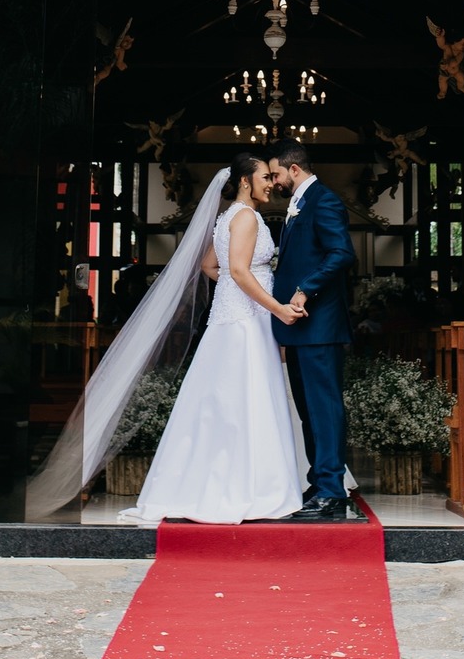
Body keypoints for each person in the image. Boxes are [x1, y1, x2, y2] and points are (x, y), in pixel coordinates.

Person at [120, 152, 304, 524]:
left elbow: (210, 266)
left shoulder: (226, 219)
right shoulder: (248, 217)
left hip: (229, 318)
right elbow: (236, 270)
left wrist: (241, 291)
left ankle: (202, 483)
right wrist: (276, 306)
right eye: (265, 177)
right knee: (249, 399)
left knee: (218, 403)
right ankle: (252, 489)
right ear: (244, 182)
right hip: (247, 323)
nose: (271, 183)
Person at [269, 139, 357, 521]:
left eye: (275, 174)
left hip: (320, 326)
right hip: (300, 329)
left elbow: (342, 253)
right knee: (307, 411)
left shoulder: (324, 200)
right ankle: (319, 482)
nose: (272, 182)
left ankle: (332, 491)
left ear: (293, 169)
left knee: (324, 409)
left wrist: (305, 289)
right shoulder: (300, 204)